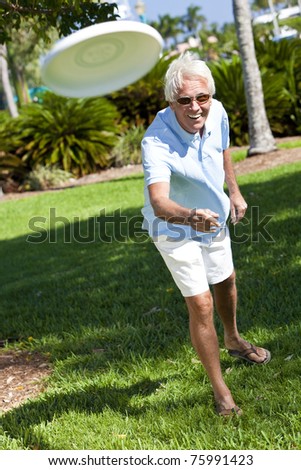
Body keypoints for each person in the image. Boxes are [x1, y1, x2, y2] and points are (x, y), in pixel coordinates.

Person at [141, 51, 271, 416]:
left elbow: (224, 149)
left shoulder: (218, 111)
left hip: (211, 216)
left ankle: (232, 337)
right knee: (200, 303)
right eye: (185, 100)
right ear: (171, 101)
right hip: (173, 226)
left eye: (202, 98)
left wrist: (234, 191)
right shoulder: (156, 143)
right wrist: (189, 216)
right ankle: (221, 393)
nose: (196, 107)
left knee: (226, 281)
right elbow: (159, 202)